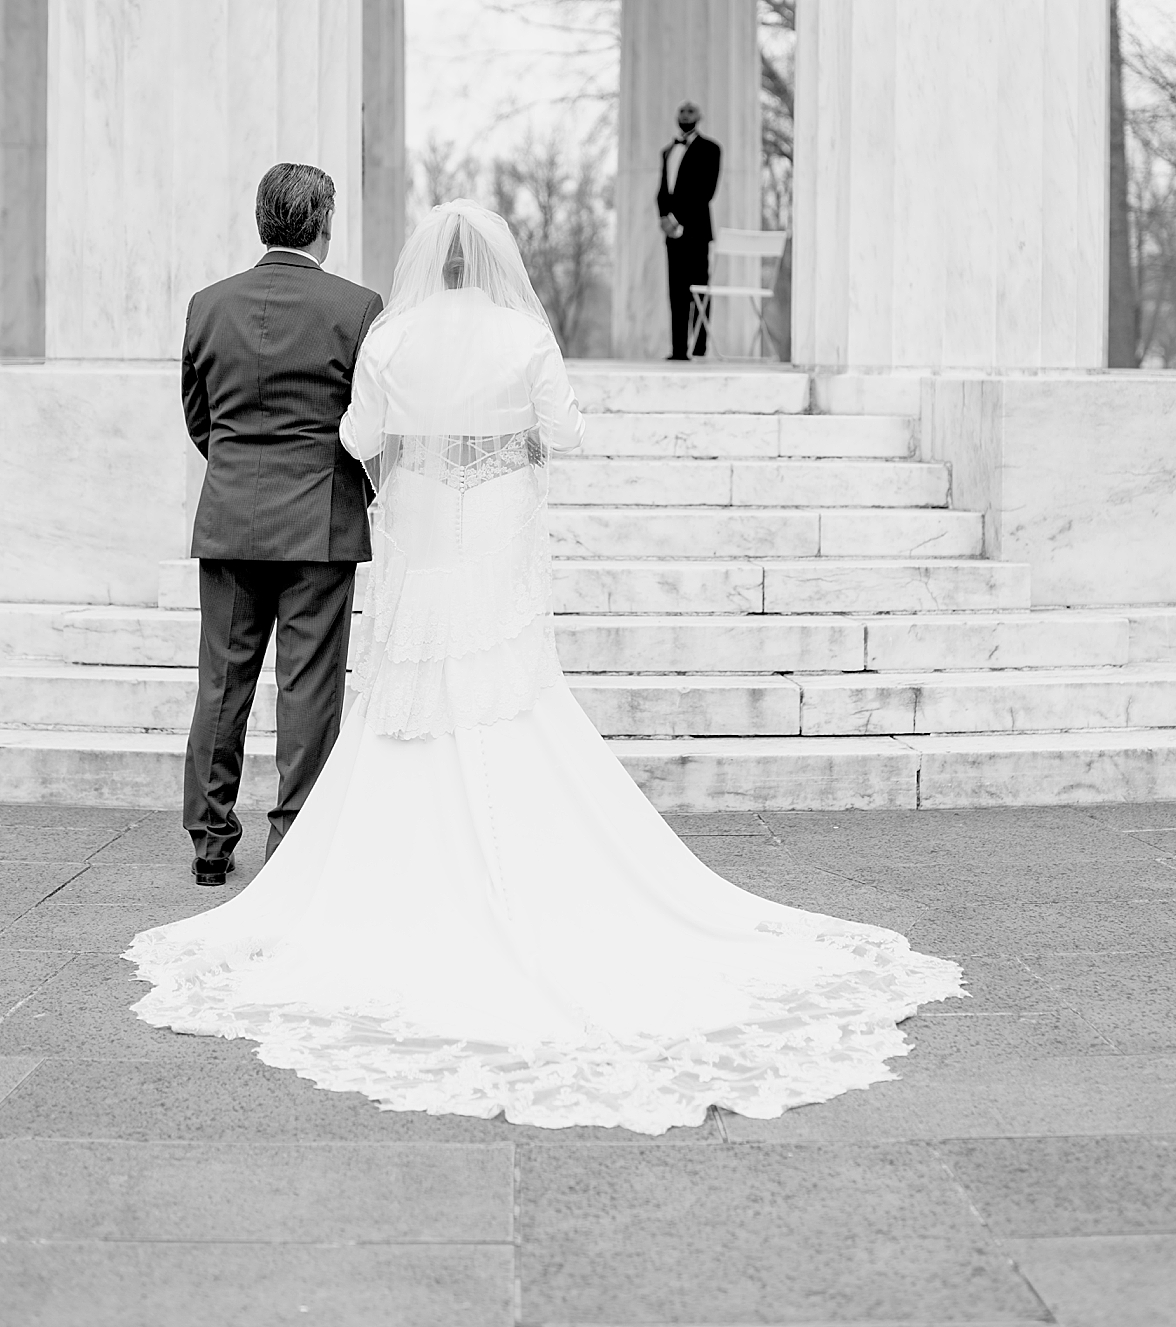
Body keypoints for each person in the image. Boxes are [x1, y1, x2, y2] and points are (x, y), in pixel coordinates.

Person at [125, 200, 960, 1135]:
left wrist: (423, 446)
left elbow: (359, 439)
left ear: (424, 267)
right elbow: (564, 434)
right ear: (494, 264)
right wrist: (499, 443)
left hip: (403, 538)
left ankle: (258, 844)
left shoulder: (389, 336)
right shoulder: (522, 334)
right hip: (495, 541)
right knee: (490, 695)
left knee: (335, 686)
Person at [180, 163, 383, 885]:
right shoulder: (357, 308)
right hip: (320, 526)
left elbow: (199, 419)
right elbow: (368, 426)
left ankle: (209, 844)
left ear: (262, 220)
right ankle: (293, 845)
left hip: (231, 519)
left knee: (221, 686)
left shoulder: (208, 305)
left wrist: (240, 472)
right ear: (325, 222)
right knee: (309, 692)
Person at [657, 101, 721, 360]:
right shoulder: (667, 151)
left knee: (699, 289)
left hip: (696, 230)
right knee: (676, 291)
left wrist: (677, 218)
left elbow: (705, 191)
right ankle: (679, 350)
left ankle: (700, 347)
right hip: (671, 233)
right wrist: (664, 218)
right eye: (681, 111)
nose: (685, 115)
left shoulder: (711, 149)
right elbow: (663, 190)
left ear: (700, 116)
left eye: (690, 111)